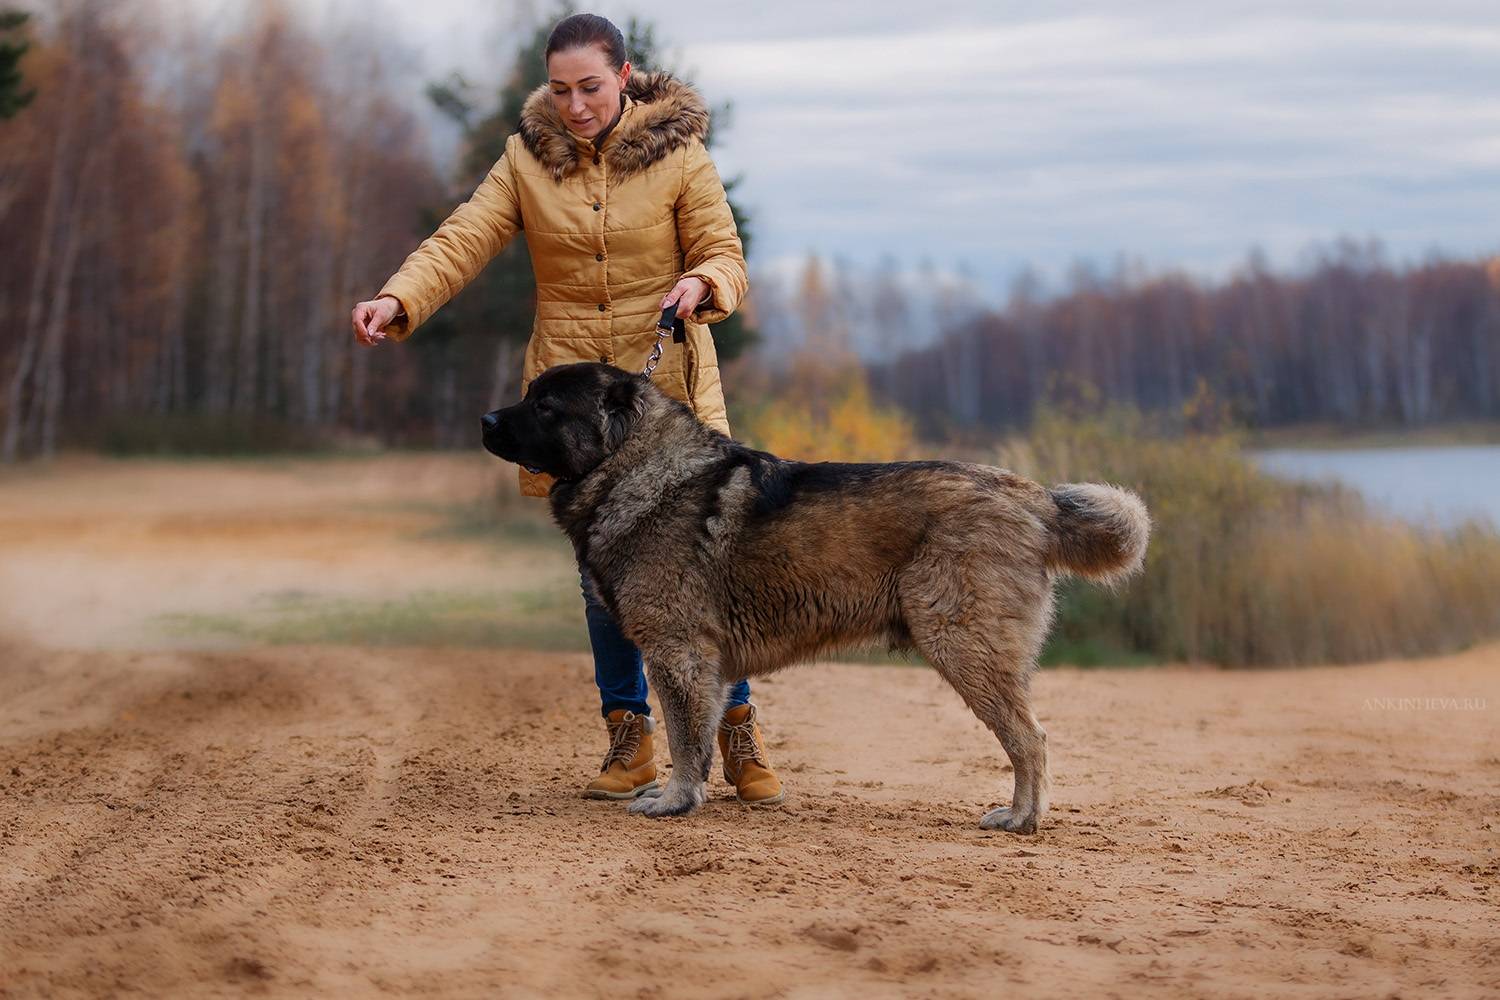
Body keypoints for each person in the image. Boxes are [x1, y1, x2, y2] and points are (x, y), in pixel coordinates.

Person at [350, 13, 783, 806]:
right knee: (601, 574)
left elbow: (725, 253)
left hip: (671, 396)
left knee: (709, 571)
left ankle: (736, 729)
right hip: (571, 414)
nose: (575, 105)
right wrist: (396, 297)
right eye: (559, 89)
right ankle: (630, 740)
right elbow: (463, 238)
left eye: (589, 87)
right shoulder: (527, 158)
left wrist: (704, 285)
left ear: (625, 76)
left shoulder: (681, 156)